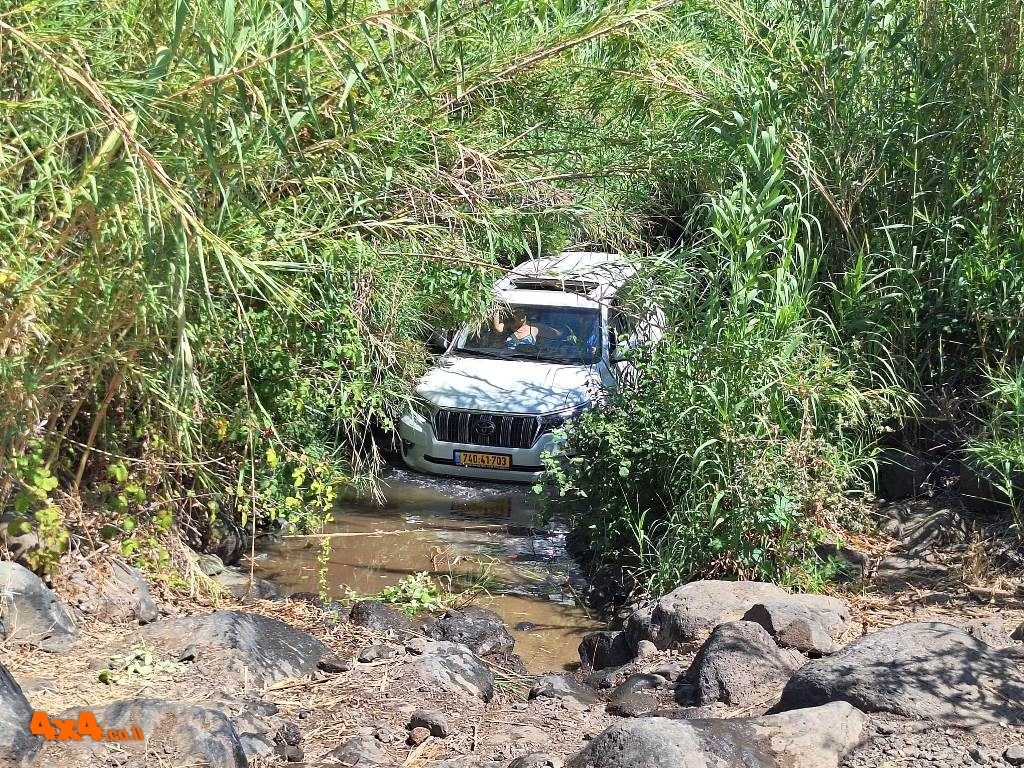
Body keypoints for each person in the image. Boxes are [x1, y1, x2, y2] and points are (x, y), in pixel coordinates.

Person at [492, 309, 560, 348]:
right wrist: (496, 309)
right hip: (506, 358)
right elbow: (497, 329)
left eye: (522, 312)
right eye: (516, 312)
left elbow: (556, 334)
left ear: (526, 314)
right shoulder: (510, 325)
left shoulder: (533, 327)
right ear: (512, 314)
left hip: (529, 359)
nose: (519, 313)